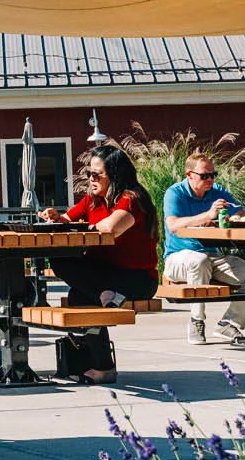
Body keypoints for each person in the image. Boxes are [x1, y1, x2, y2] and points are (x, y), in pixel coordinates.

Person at [46, 144, 161, 384]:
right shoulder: (92, 200)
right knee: (62, 265)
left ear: (115, 175)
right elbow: (67, 219)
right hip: (104, 277)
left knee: (81, 298)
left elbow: (112, 228)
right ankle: (103, 365)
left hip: (136, 279)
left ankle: (103, 367)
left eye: (97, 174)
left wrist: (87, 227)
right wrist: (55, 217)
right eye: (89, 173)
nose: (91, 178)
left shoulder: (132, 199)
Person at [161, 152, 245, 345]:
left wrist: (238, 218)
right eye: (204, 176)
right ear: (189, 175)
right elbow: (174, 225)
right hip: (178, 258)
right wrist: (208, 215)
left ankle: (230, 324)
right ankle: (196, 320)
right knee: (198, 261)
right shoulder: (175, 193)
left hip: (212, 255)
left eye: (213, 174)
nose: (210, 179)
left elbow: (242, 214)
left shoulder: (217, 191)